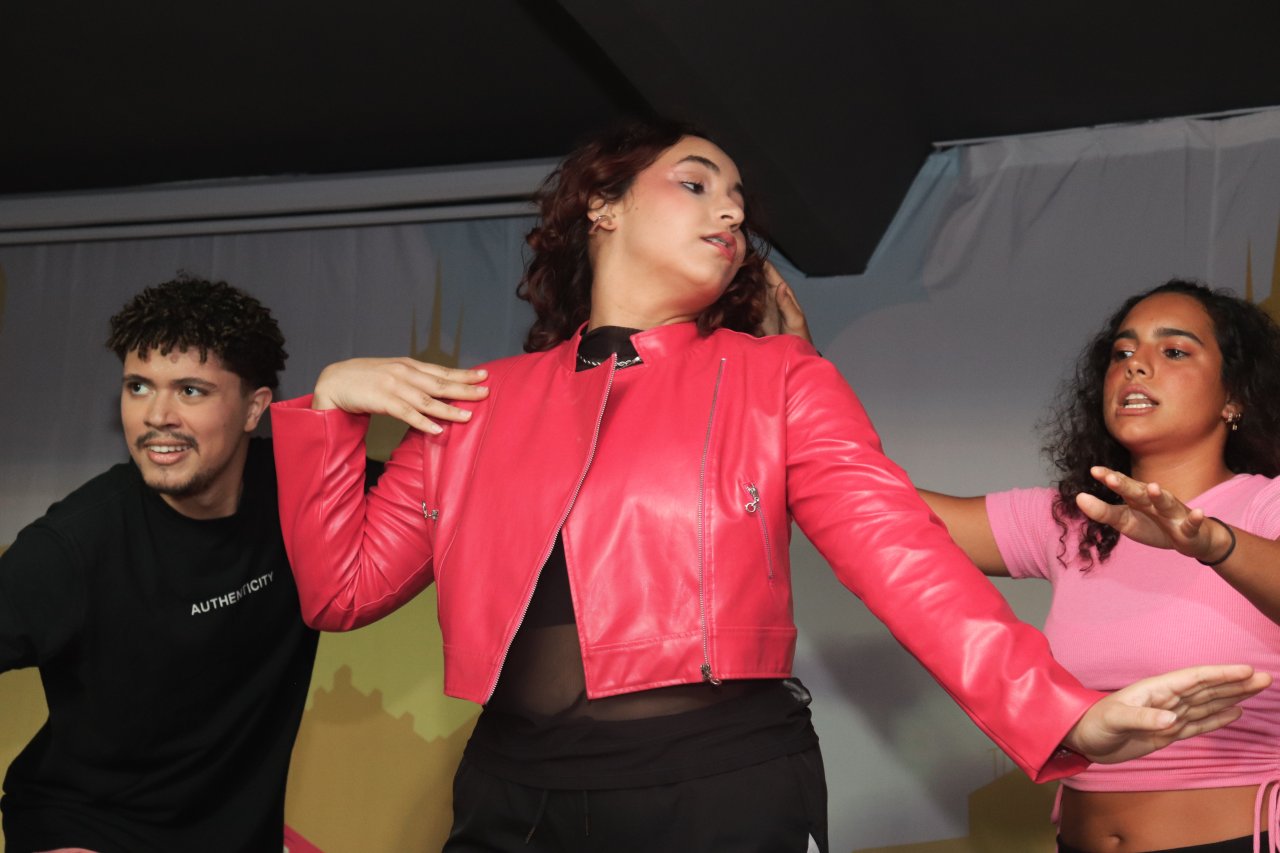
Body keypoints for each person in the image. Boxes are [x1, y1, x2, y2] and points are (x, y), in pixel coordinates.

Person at [269, 120, 1266, 853]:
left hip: (717, 786)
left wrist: (1062, 715)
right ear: (601, 204)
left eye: (739, 197)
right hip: (509, 792)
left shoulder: (779, 379)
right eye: (696, 182)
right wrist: (329, 410)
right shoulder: (477, 402)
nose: (732, 209)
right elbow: (339, 591)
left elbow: (905, 560)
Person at [917, 280, 1280, 852]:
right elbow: (878, 510)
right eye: (1122, 352)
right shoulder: (1076, 519)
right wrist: (802, 381)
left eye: (1174, 350)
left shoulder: (1265, 505)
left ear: (1233, 395)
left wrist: (1214, 543)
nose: (1136, 365)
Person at [0, 277, 317, 852]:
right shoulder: (75, 543)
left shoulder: (303, 492)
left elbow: (446, 491)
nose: (157, 415)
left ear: (254, 408)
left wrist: (347, 387)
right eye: (138, 387)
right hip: (87, 827)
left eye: (191, 390)